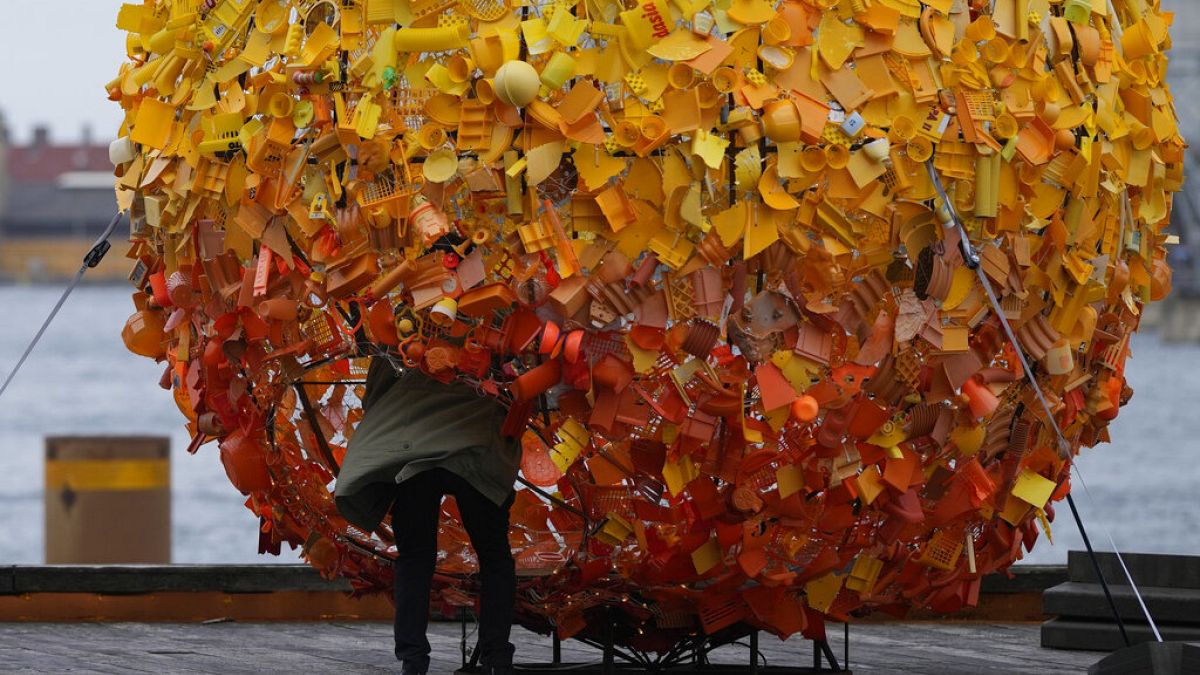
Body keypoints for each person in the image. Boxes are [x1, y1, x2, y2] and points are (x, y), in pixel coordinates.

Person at [335, 355, 523, 675]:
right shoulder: (499, 318)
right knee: (494, 554)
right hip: (478, 441)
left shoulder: (407, 320)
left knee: (415, 556)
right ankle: (497, 657)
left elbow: (377, 389)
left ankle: (413, 659)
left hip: (415, 447)